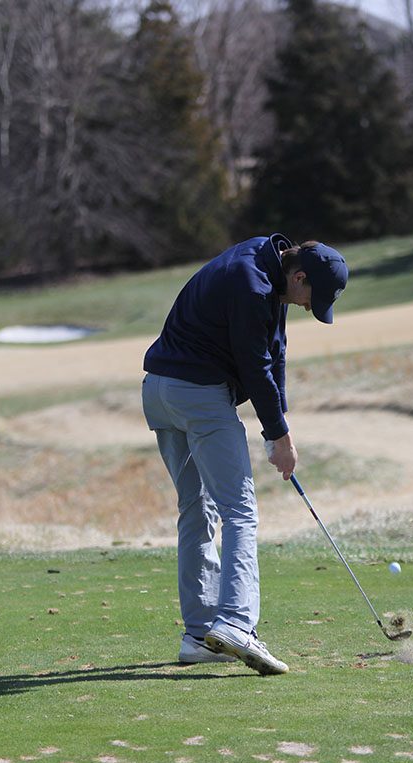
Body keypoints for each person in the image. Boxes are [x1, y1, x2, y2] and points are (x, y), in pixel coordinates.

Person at [142, 234, 348, 675]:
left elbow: (276, 355)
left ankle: (199, 636)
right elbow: (254, 367)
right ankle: (236, 622)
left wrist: (281, 430)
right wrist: (279, 435)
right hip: (196, 392)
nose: (312, 308)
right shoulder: (253, 286)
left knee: (198, 511)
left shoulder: (265, 262)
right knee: (240, 509)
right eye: (314, 298)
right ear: (299, 276)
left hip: (159, 390)